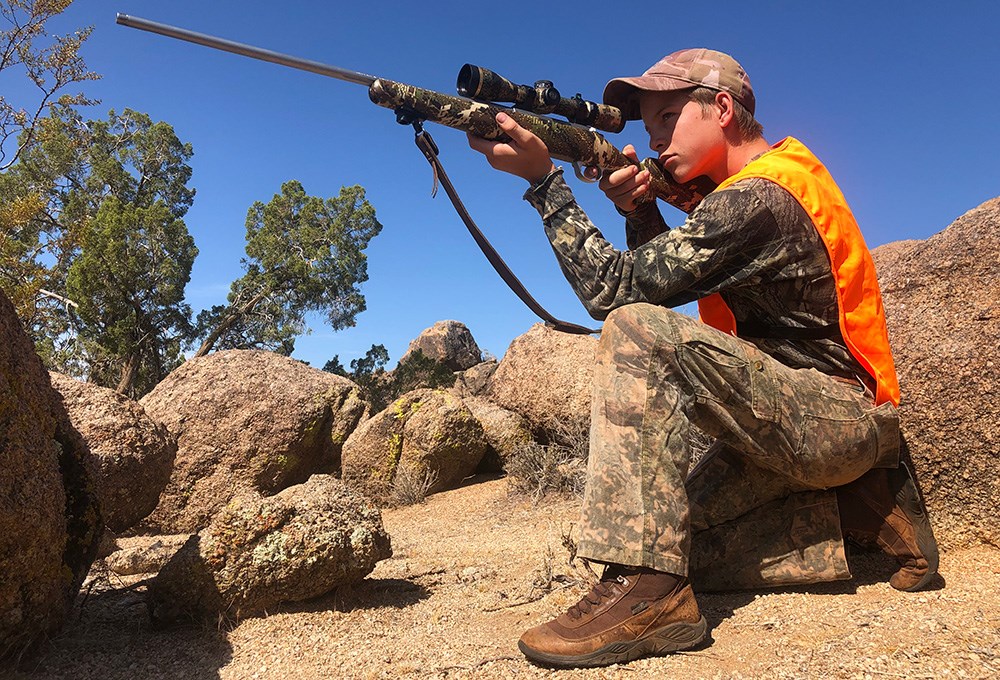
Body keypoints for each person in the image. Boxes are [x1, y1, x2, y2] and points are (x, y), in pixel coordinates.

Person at [468, 48, 938, 668]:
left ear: (720, 108)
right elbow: (668, 276)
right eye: (649, 126)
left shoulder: (756, 199)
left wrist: (545, 183)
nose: (656, 141)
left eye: (667, 118)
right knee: (679, 541)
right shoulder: (748, 191)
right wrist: (640, 211)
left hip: (834, 419)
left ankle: (649, 597)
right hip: (787, 424)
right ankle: (859, 513)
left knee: (636, 330)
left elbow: (619, 296)